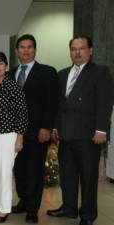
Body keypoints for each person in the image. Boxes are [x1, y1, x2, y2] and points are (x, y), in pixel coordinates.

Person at [47, 36, 114, 225]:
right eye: (73, 49)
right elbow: (58, 104)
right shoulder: (62, 74)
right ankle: (69, 208)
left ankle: (87, 215)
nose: (77, 52)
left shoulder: (100, 72)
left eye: (81, 48)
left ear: (90, 50)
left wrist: (102, 130)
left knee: (88, 177)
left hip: (88, 135)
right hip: (65, 133)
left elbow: (105, 103)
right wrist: (54, 126)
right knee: (67, 175)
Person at [9, 34, 60, 224]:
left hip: (37, 131)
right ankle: (23, 200)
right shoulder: (10, 73)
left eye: (30, 47)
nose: (26, 50)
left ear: (35, 50)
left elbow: (52, 102)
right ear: (16, 51)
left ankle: (32, 209)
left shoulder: (47, 72)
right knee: (19, 170)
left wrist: (46, 127)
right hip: (13, 133)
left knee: (35, 171)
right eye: (22, 47)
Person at [0, 51, 28, 223]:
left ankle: (5, 208)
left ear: (6, 66)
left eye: (0, 64)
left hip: (8, 134)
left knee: (4, 171)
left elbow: (22, 113)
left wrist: (20, 137)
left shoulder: (12, 86)